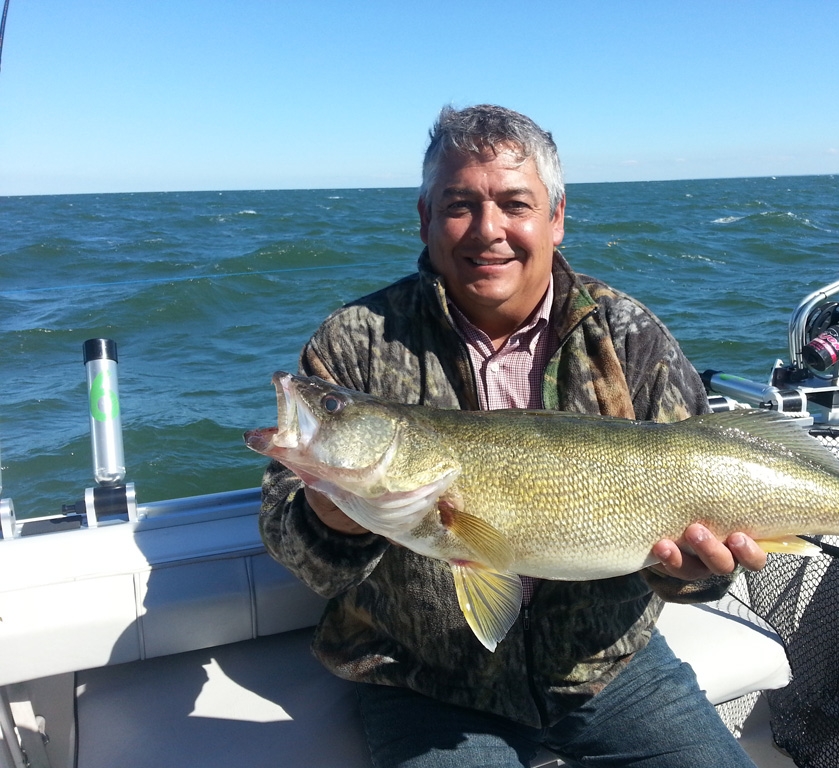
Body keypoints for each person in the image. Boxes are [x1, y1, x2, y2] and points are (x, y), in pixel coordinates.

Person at [259, 104, 767, 767]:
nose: (488, 229)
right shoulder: (353, 344)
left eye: (515, 204)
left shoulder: (628, 336)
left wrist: (696, 575)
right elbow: (303, 558)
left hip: (610, 669)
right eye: (459, 205)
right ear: (425, 218)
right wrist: (331, 517)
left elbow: (696, 537)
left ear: (556, 217)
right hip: (424, 681)